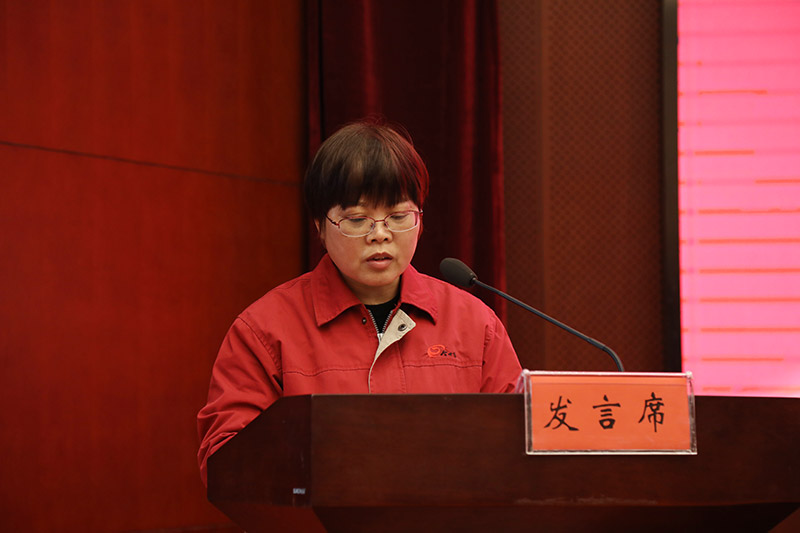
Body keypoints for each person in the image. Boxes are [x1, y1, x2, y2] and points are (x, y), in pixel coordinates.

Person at [196, 120, 521, 485]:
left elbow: (518, 448)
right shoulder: (264, 331)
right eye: (357, 219)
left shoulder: (475, 324)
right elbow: (227, 463)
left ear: (420, 220)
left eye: (398, 216)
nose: (380, 234)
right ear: (320, 225)